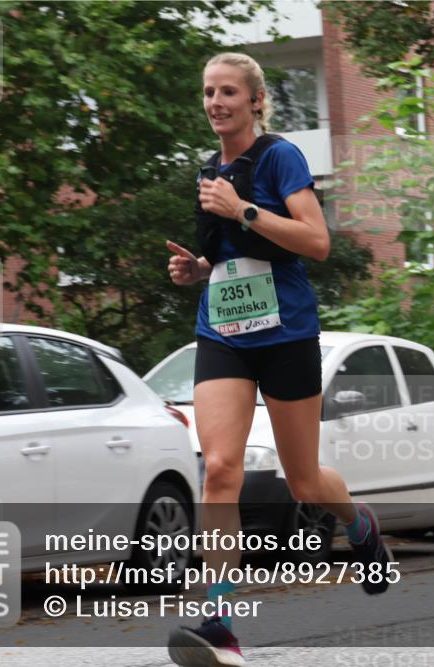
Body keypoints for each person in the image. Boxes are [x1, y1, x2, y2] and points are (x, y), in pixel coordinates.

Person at [165, 53, 393, 666]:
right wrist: (197, 269)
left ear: (255, 100)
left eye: (228, 92)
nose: (216, 103)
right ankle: (219, 619)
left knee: (303, 479)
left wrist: (241, 207)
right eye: (209, 92)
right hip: (224, 331)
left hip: (286, 332)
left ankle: (361, 523)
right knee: (218, 469)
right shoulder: (209, 170)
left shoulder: (279, 157)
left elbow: (315, 242)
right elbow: (231, 253)